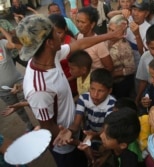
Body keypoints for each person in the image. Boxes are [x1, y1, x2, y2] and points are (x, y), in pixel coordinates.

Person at [15, 14, 125, 167]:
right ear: (49, 42)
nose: (61, 34)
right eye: (55, 32)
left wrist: (111, 35)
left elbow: (79, 45)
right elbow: (50, 130)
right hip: (65, 146)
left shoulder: (51, 55)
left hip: (73, 130)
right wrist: (80, 145)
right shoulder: (39, 88)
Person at [53, 68, 116, 165]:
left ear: (109, 91)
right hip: (88, 135)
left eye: (101, 91)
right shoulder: (84, 98)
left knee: (102, 158)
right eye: (92, 89)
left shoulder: (112, 105)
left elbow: (106, 130)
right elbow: (76, 123)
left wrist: (96, 137)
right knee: (91, 158)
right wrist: (70, 131)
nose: (95, 95)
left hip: (104, 137)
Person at [0, 26, 34, 133]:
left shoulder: (2, 43)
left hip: (19, 82)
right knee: (16, 108)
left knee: (30, 102)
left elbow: (14, 44)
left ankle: (43, 120)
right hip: (3, 91)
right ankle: (29, 125)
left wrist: (1, 28)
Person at [48, 14, 78, 100]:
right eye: (52, 33)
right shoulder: (49, 43)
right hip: (57, 85)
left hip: (71, 85)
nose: (56, 37)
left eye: (59, 33)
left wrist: (64, 82)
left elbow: (80, 70)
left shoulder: (72, 45)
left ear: (65, 29)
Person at [106, 14, 136, 99]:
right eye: (109, 29)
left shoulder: (124, 47)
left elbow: (131, 69)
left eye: (114, 31)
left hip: (121, 84)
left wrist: (113, 74)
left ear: (122, 32)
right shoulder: (106, 40)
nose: (110, 33)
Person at [76, 7, 114, 72]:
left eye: (83, 22)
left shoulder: (99, 44)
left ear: (92, 24)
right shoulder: (80, 36)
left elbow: (109, 67)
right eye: (77, 21)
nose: (79, 25)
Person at [126, 0, 151, 67]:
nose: (136, 13)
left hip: (138, 67)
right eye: (134, 9)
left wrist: (137, 35)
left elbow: (144, 54)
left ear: (146, 14)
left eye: (140, 11)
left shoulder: (149, 30)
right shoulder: (128, 20)